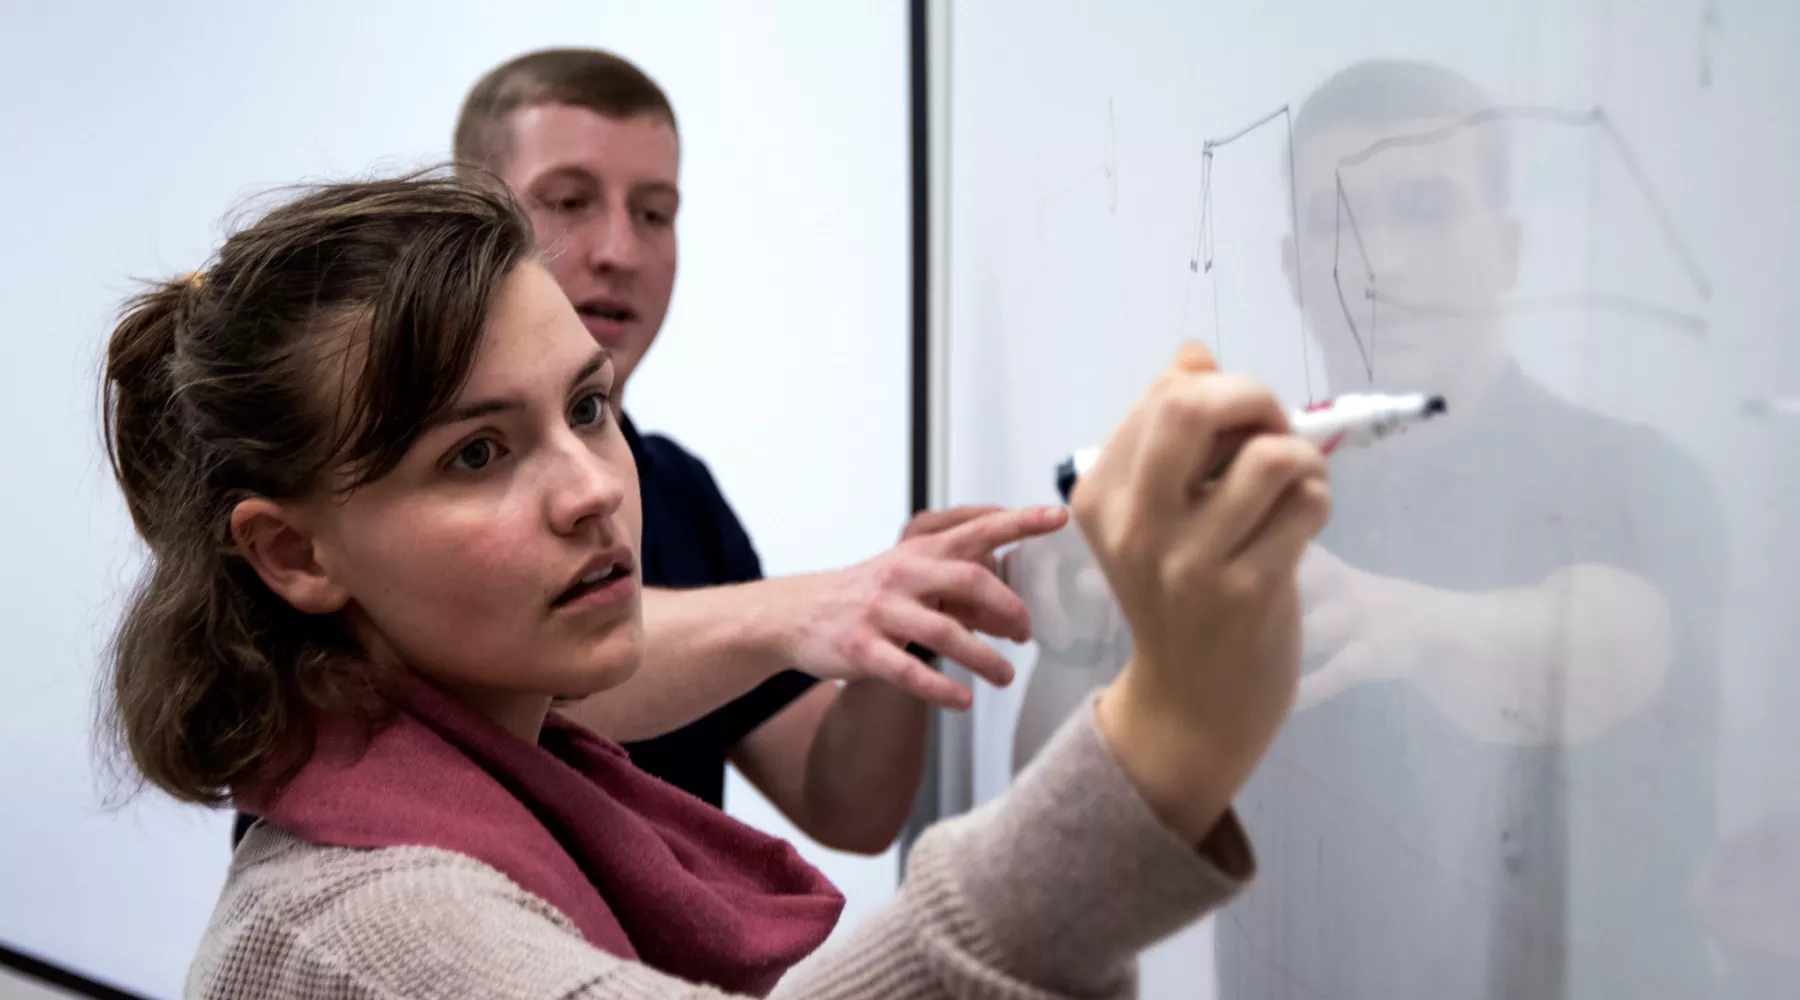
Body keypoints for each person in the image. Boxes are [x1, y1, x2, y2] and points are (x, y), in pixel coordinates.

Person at [101, 170, 1331, 996]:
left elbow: (840, 788)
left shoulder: (523, 763)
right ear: (294, 554)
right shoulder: (362, 933)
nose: (590, 487)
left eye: (590, 408)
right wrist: (1164, 738)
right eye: (476, 454)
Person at [436, 47, 1049, 852]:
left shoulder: (681, 492)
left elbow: (846, 806)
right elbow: (529, 675)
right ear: (473, 218)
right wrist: (805, 608)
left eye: (655, 212)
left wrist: (903, 617)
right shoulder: (416, 474)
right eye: (570, 200)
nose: (619, 249)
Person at [1214, 59, 1726, 999]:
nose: (1384, 261)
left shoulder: (1636, 477)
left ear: (1508, 250)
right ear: (1294, 268)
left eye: (1424, 210)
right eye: (1341, 219)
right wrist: (1071, 630)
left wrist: (1411, 623)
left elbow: (1624, 643)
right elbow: (1085, 798)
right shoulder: (1233, 511)